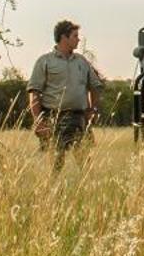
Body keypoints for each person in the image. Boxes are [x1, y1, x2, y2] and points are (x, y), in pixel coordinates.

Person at [28, 19, 103, 169]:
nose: (78, 39)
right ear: (64, 37)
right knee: (55, 163)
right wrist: (38, 120)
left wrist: (92, 110)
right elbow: (34, 92)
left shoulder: (81, 62)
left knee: (85, 162)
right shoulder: (45, 61)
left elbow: (95, 86)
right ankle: (53, 190)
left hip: (78, 117)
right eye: (75, 36)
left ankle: (85, 190)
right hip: (54, 117)